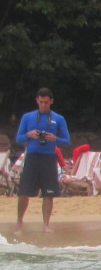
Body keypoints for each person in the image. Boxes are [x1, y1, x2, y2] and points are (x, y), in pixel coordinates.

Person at [14, 87, 70, 232]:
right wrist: (29, 134)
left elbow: (66, 141)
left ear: (51, 101)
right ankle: (19, 222)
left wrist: (54, 138)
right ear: (37, 101)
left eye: (46, 102)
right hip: (32, 157)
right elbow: (18, 139)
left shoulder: (58, 119)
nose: (43, 105)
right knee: (23, 192)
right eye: (41, 102)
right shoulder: (27, 117)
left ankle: (46, 225)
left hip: (49, 158)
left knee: (48, 194)